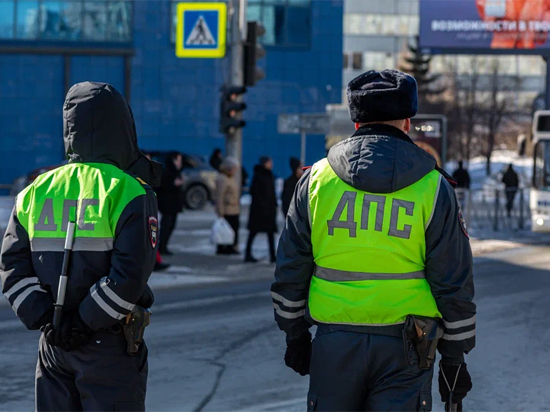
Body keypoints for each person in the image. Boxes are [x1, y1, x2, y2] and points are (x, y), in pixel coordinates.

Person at [272, 70, 476, 411]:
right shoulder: (433, 187)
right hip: (409, 348)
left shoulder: (316, 180)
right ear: (407, 123)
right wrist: (454, 357)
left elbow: (291, 265)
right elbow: (453, 278)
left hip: (334, 342)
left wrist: (294, 335)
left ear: (356, 124)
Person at [0, 82, 161, 411]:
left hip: (53, 347)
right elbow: (129, 274)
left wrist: (47, 320)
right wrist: (85, 322)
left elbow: (11, 267)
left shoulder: (36, 189)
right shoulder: (129, 190)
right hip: (108, 346)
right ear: (122, 127)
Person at [245, 156, 278, 263]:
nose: (271, 164)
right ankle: (247, 254)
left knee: (270, 234)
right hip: (260, 211)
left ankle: (273, 256)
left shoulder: (269, 175)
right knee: (253, 232)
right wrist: (263, 206)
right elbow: (256, 193)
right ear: (265, 163)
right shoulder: (259, 176)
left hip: (268, 210)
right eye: (269, 162)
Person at [157, 152, 184, 255]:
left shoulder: (177, 172)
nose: (179, 163)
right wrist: (173, 184)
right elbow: (162, 188)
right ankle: (161, 247)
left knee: (171, 226)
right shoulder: (166, 173)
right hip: (167, 205)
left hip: (174, 205)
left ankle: (164, 246)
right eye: (177, 160)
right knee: (166, 226)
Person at [215, 157, 241, 255]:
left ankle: (231, 247)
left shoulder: (231, 178)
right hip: (227, 209)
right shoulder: (222, 179)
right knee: (225, 230)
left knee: (233, 230)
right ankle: (223, 248)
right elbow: (219, 196)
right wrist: (220, 211)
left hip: (234, 209)